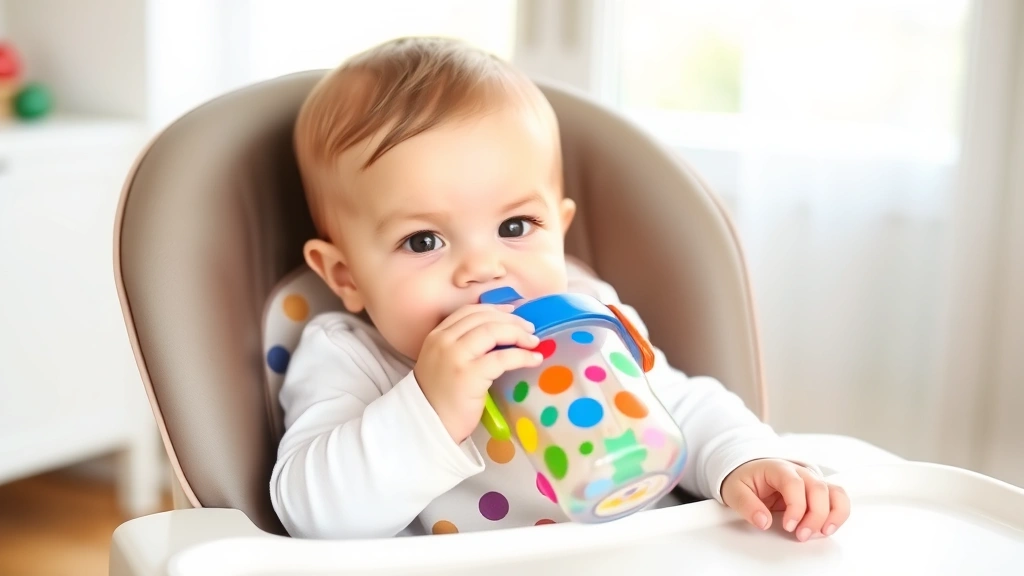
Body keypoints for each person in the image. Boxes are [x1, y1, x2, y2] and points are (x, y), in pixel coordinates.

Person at [270, 36, 850, 541]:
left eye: (515, 227)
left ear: (560, 230)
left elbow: (684, 409)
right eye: (423, 241)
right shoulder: (352, 360)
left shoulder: (588, 318)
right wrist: (431, 406)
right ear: (344, 276)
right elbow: (310, 513)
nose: (483, 268)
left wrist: (744, 461)